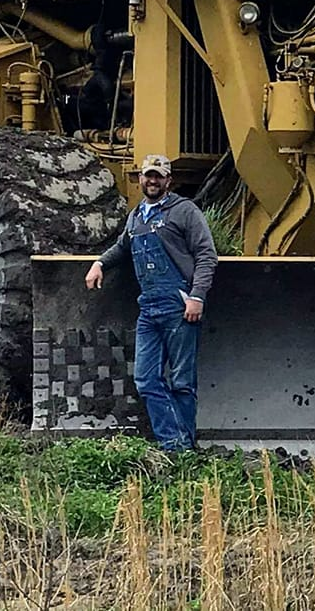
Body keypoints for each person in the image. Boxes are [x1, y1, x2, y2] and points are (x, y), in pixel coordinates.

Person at [85, 154, 217, 452]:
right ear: (140, 178)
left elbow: (207, 255)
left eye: (159, 175)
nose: (153, 180)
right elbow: (122, 248)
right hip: (149, 309)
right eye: (148, 175)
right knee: (146, 380)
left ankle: (180, 449)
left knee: (182, 382)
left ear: (169, 180)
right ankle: (175, 442)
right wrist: (99, 264)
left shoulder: (184, 211)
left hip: (179, 306)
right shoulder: (137, 216)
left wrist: (197, 296)